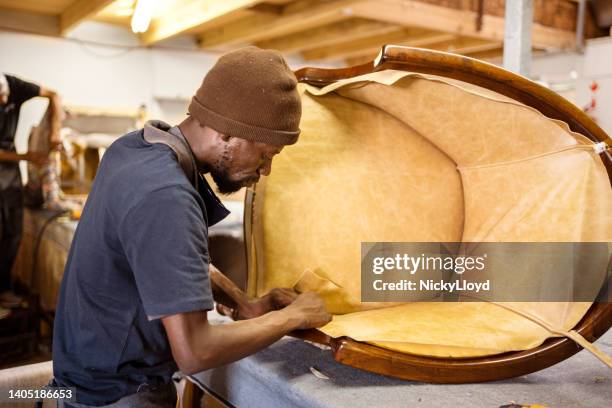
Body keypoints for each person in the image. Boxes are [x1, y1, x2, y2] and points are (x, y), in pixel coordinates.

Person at [52, 47, 331, 407]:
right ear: (228, 132)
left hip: (81, 383)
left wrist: (244, 304)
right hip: (115, 396)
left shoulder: (135, 149)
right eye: (265, 154)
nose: (265, 170)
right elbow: (195, 351)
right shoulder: (167, 195)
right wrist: (293, 317)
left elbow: (168, 264)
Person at [0, 73, 62, 317]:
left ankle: (4, 288)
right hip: (9, 158)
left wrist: (55, 131)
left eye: (5, 97)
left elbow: (55, 95)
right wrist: (27, 157)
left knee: (14, 230)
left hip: (11, 169)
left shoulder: (15, 85)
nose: (4, 103)